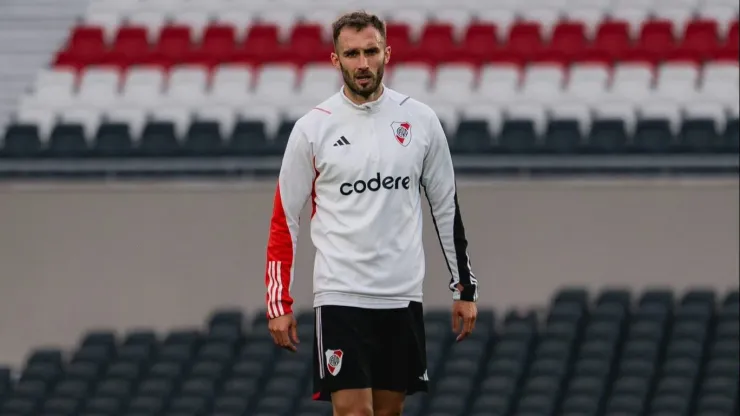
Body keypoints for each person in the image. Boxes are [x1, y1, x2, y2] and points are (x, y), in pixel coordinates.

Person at [263, 10, 479, 416]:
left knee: (387, 413)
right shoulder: (313, 128)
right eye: (352, 54)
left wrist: (463, 288)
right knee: (354, 413)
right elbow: (284, 218)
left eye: (371, 52)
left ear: (387, 53)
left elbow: (446, 206)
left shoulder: (421, 121)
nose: (362, 64)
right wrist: (279, 302)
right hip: (341, 292)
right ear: (335, 60)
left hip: (400, 293)